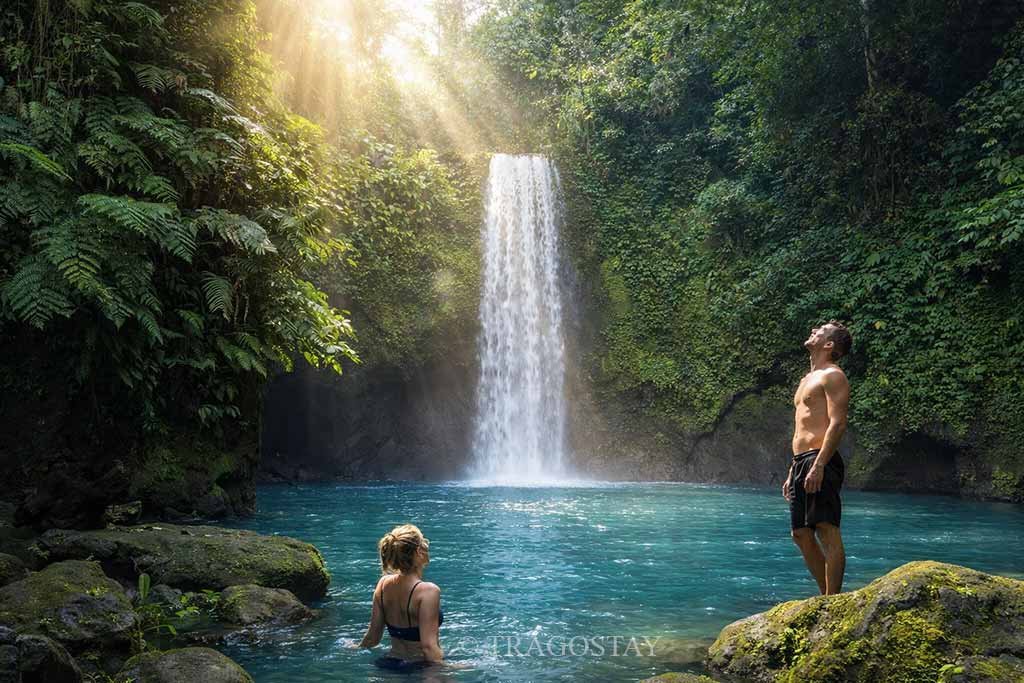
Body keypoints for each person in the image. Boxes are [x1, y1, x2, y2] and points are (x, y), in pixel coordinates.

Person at [783, 320, 852, 596]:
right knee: (800, 533)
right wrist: (793, 469)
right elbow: (803, 426)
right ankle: (827, 595)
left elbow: (837, 424)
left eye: (820, 331)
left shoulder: (833, 376)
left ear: (829, 344)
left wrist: (820, 464)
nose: (813, 330)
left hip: (820, 458)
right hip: (801, 461)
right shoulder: (806, 380)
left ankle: (831, 599)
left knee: (825, 527)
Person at [358, 524, 444, 671]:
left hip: (388, 665)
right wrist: (448, 670)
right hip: (419, 667)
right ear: (418, 551)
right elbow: (428, 647)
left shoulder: (383, 584)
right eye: (424, 541)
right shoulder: (428, 591)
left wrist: (354, 648)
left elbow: (373, 638)